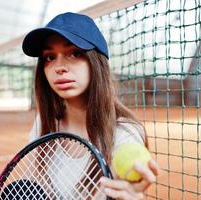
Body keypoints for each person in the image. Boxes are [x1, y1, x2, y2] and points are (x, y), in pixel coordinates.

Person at [22, 12, 159, 199]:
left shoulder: (124, 134)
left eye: (75, 53)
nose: (59, 67)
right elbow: (34, 187)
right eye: (49, 57)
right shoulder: (42, 124)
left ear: (96, 62)